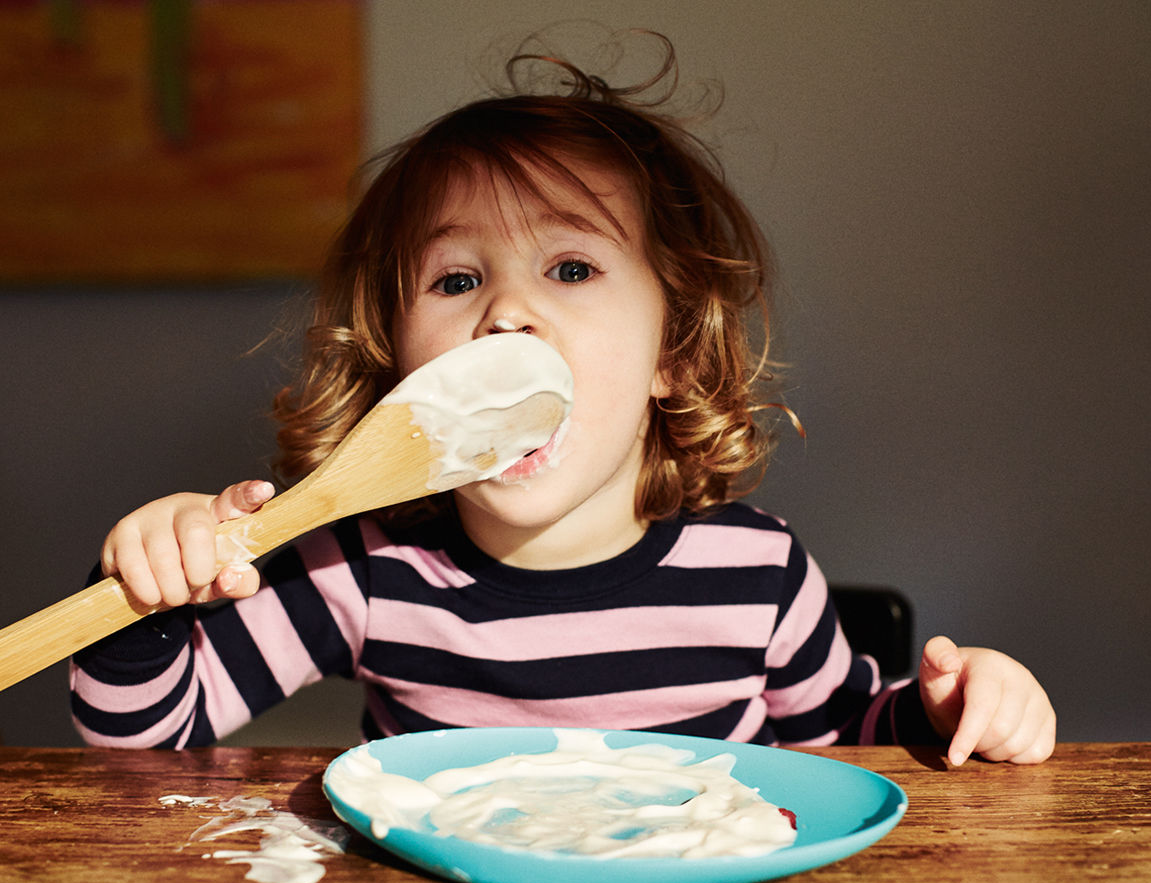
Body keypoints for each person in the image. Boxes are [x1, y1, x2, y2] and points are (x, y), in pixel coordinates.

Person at [70, 34, 1055, 767]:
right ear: (398, 370)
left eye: (571, 266)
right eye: (457, 282)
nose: (507, 314)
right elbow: (139, 732)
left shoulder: (754, 576)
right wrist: (149, 598)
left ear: (672, 349)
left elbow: (856, 736)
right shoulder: (366, 575)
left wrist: (953, 707)